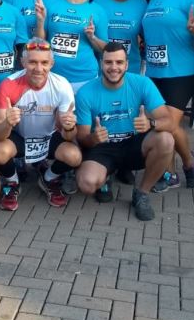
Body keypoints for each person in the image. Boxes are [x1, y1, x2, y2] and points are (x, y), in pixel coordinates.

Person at [75, 43, 175, 221]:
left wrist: (151, 123)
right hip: (103, 148)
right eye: (108, 62)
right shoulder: (85, 93)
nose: (114, 67)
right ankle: (105, 177)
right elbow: (82, 138)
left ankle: (142, 193)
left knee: (166, 140)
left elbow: (170, 122)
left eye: (119, 62)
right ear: (101, 63)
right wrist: (93, 138)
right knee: (87, 183)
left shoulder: (142, 83)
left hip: (133, 144)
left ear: (127, 65)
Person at [142, 0, 194, 192]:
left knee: (167, 123)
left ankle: (190, 162)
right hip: (154, 72)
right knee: (163, 124)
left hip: (180, 71)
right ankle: (168, 173)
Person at [0, 38, 82, 209]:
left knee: (74, 156)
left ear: (52, 63)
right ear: (23, 62)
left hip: (49, 137)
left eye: (44, 62)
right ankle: (12, 183)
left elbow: (69, 137)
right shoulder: (8, 84)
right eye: (32, 62)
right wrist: (8, 123)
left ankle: (48, 179)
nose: (38, 69)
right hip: (21, 138)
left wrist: (69, 127)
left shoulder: (62, 85)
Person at [35, 0, 108, 93]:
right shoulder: (52, 4)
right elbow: (40, 42)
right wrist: (40, 21)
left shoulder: (98, 11)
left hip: (84, 78)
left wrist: (92, 37)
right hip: (52, 75)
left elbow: (104, 49)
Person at [92, 0, 147, 74]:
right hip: (101, 68)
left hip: (130, 69)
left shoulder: (141, 2)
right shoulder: (96, 0)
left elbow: (147, 34)